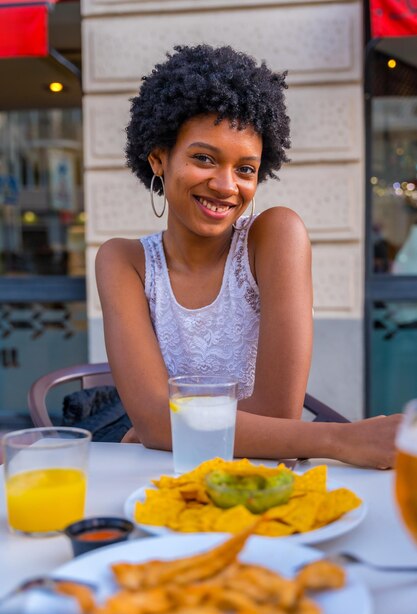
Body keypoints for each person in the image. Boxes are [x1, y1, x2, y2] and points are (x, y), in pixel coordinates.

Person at [96, 44, 401, 469]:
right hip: (163, 479)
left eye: (245, 169)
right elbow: (152, 423)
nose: (226, 185)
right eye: (204, 158)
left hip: (255, 482)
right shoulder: (122, 261)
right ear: (159, 159)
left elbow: (277, 417)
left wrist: (172, 427)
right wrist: (340, 439)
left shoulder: (275, 237)